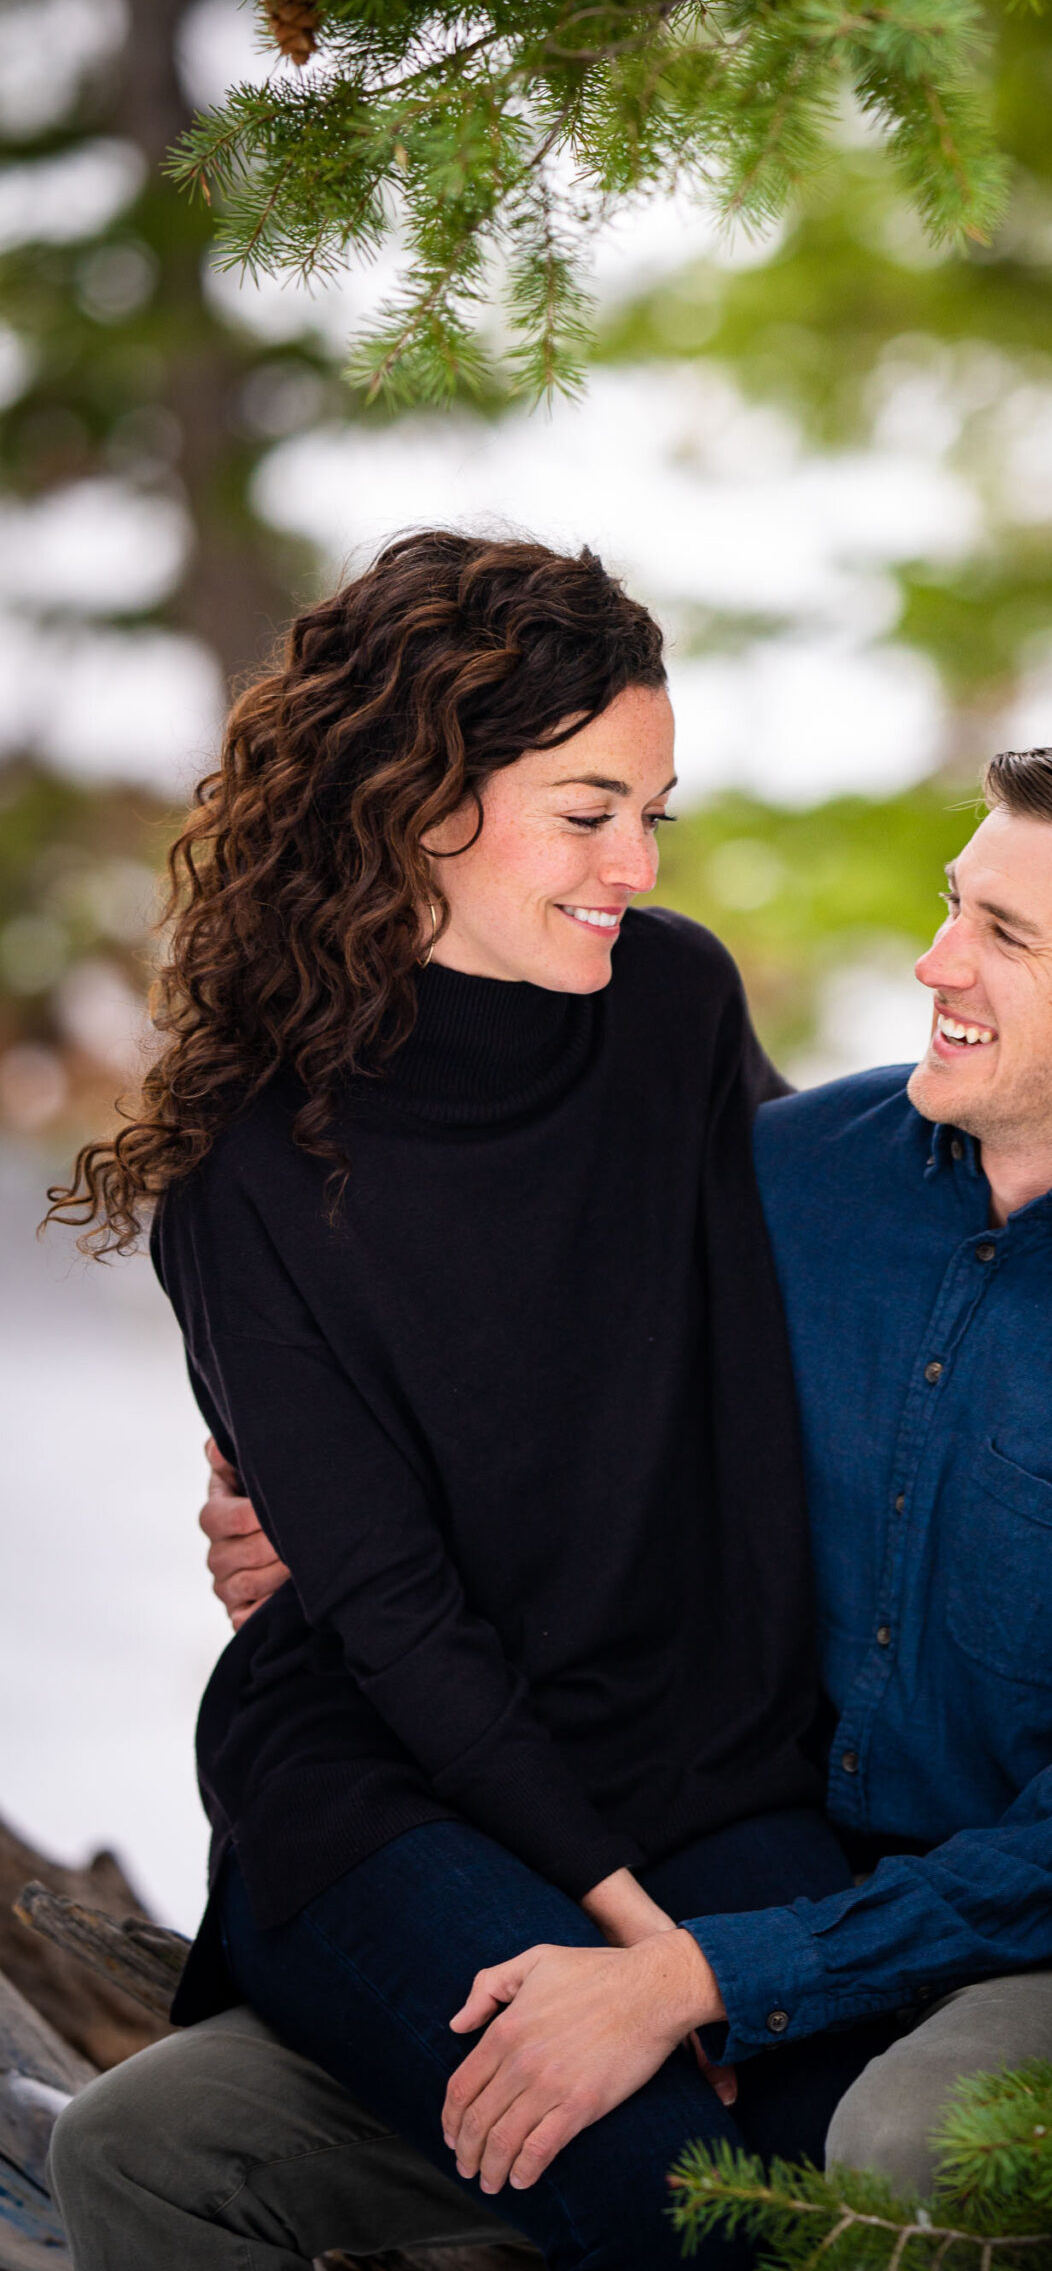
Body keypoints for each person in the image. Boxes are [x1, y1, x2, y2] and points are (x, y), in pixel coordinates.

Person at [51, 729, 1052, 2270]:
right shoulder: (792, 1171)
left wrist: (699, 1975)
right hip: (716, 1850)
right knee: (151, 2151)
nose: (930, 960)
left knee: (903, 2151)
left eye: (1004, 936)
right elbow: (530, 1411)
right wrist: (321, 1521)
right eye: (955, 901)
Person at [44, 528, 905, 2271]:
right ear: (414, 801)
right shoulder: (251, 1178)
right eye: (587, 814)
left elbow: (837, 1271)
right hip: (395, 1789)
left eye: (656, 812)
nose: (636, 865)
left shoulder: (674, 1006)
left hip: (707, 1754)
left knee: (851, 2181)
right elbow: (403, 1635)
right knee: (691, 2205)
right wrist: (652, 1956)